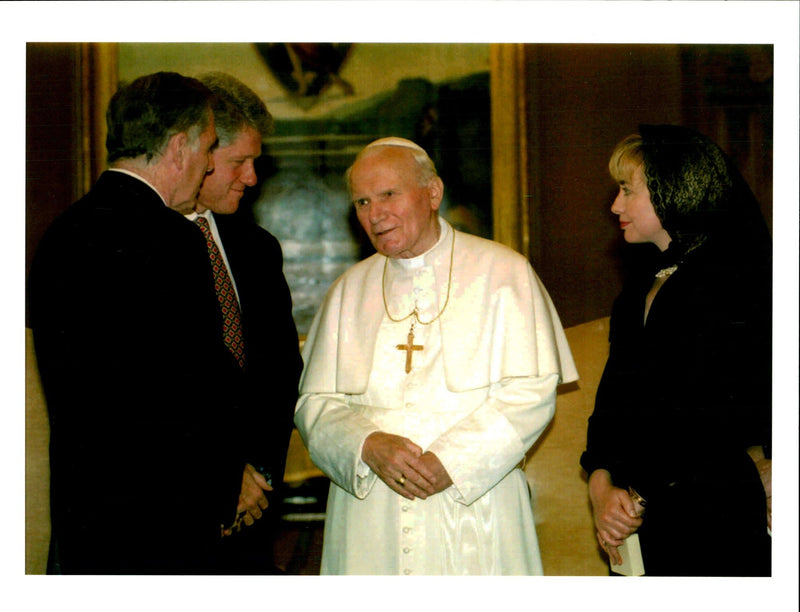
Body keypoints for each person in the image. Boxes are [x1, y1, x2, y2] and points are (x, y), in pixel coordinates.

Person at [294, 137, 578, 575]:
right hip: (372, 512)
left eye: (389, 194)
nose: (375, 213)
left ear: (433, 193)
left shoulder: (503, 271)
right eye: (362, 201)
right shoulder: (349, 290)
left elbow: (532, 390)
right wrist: (366, 444)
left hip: (477, 505)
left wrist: (454, 459)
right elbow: (314, 403)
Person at [28, 72, 246, 574]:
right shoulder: (172, 239)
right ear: (178, 147)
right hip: (163, 523)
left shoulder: (60, 234)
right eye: (209, 147)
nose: (211, 162)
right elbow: (205, 384)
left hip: (83, 516)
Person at [580, 124, 772, 576]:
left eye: (627, 190)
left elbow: (721, 414)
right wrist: (601, 489)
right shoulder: (637, 289)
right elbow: (610, 407)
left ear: (675, 190)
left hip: (712, 517)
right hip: (636, 518)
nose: (615, 205)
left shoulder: (738, 282)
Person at [186, 73, 303, 573]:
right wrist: (217, 480)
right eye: (239, 162)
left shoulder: (258, 248)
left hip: (253, 520)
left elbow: (280, 377)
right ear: (199, 153)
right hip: (171, 520)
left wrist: (255, 479)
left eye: (256, 161)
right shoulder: (138, 248)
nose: (253, 178)